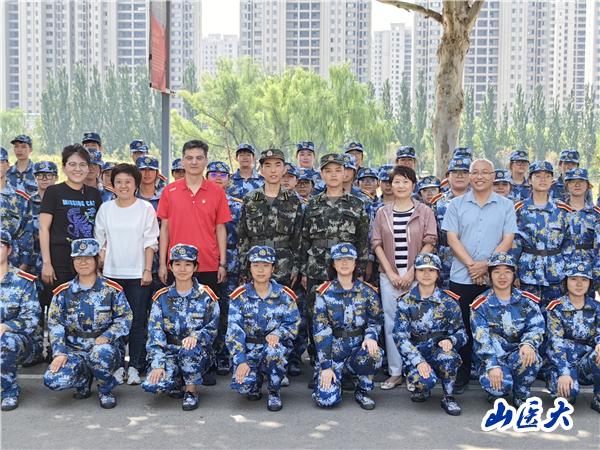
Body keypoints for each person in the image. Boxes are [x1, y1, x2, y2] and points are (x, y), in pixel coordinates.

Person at [157, 139, 232, 385]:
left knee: (209, 318)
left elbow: (220, 229)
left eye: (199, 158)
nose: (194, 162)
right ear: (182, 160)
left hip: (208, 263)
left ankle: (207, 362)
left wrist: (222, 263)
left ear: (206, 160)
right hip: (178, 265)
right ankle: (177, 364)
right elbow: (164, 228)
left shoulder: (217, 192)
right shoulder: (170, 191)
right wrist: (163, 263)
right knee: (178, 317)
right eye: (189, 158)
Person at [442, 158, 518, 392]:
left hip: (494, 277)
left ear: (493, 176)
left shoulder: (506, 205)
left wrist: (486, 266)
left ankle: (492, 371)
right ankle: (462, 372)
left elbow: (508, 238)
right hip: (461, 275)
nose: (480, 176)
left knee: (493, 326)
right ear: (469, 176)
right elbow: (452, 238)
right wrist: (472, 265)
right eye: (475, 172)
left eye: (485, 172)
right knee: (463, 325)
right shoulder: (456, 205)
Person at [43, 239, 132, 409]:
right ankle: (83, 379)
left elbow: (125, 318)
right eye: (78, 258)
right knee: (52, 380)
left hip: (104, 348)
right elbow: (55, 324)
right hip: (75, 350)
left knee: (99, 354)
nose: (82, 262)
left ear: (97, 260)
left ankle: (105, 389)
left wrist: (107, 336)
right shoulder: (63, 292)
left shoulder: (112, 289)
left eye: (88, 258)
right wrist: (60, 352)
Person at [300, 154, 370, 369]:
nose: (333, 175)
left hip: (346, 270)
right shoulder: (312, 204)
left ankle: (345, 364)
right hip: (317, 267)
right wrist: (304, 270)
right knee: (315, 314)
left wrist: (360, 270)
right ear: (321, 174)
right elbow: (304, 239)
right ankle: (319, 364)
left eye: (337, 170)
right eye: (328, 171)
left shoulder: (357, 204)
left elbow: (362, 240)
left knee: (345, 315)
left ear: (345, 173)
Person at [371, 166, 437, 390]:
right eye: (396, 181)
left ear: (413, 185)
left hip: (418, 275)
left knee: (417, 323)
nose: (400, 186)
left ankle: (416, 371)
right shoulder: (382, 213)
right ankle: (395, 372)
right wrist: (390, 272)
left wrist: (412, 271)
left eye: (405, 182)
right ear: (390, 185)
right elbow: (377, 244)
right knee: (391, 323)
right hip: (389, 276)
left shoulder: (424, 211)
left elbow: (430, 241)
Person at [94, 163, 159, 385]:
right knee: (114, 323)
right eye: (119, 182)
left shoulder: (145, 208)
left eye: (128, 182)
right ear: (112, 185)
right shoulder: (106, 209)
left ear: (136, 185)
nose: (123, 186)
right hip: (112, 275)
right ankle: (117, 365)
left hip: (138, 274)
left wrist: (147, 270)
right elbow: (100, 242)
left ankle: (134, 367)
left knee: (138, 321)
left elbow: (150, 242)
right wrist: (100, 268)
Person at [142, 244, 220, 411]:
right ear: (170, 267)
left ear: (195, 267)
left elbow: (212, 329)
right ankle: (177, 380)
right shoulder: (161, 297)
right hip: (170, 351)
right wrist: (158, 364)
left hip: (196, 352)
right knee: (154, 385)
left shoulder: (206, 296)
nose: (182, 269)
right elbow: (155, 333)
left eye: (188, 264)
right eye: (177, 264)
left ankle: (191, 391)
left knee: (189, 350)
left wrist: (196, 336)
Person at [226, 246, 300, 411]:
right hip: (249, 349)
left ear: (273, 269)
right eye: (256, 265)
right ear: (250, 268)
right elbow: (234, 331)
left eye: (266, 265)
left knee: (274, 351)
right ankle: (255, 380)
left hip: (273, 349)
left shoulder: (284, 295)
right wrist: (241, 361)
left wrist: (278, 333)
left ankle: (274, 390)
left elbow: (293, 323)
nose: (260, 270)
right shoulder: (239, 296)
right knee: (244, 387)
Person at [312, 243, 383, 410]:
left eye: (349, 259)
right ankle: (335, 382)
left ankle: (363, 390)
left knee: (374, 353)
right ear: (333, 264)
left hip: (357, 352)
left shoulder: (368, 292)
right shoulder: (324, 293)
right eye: (339, 259)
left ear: (355, 263)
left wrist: (371, 337)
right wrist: (326, 366)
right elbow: (321, 331)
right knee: (326, 401)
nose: (344, 263)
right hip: (333, 354)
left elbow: (375, 320)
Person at [393, 253, 466, 415]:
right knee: (424, 381)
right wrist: (418, 361)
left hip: (440, 352)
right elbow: (400, 337)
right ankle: (422, 389)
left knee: (449, 356)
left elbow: (461, 332)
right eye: (421, 270)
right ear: (415, 273)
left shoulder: (448, 301)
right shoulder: (405, 301)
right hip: (417, 354)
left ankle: (448, 396)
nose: (426, 274)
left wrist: (451, 340)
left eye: (431, 270)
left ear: (438, 274)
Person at [471, 252, 544, 407]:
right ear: (490, 276)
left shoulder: (526, 301)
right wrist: (492, 365)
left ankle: (521, 393)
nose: (502, 276)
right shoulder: (481, 304)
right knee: (499, 388)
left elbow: (536, 327)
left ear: (513, 275)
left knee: (531, 356)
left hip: (517, 353)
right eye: (497, 272)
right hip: (494, 355)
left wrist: (528, 344)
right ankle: (497, 391)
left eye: (507, 272)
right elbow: (482, 340)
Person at [238, 149, 303, 287]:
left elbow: (298, 238)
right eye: (268, 166)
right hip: (256, 264)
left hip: (283, 265)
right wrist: (243, 267)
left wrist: (296, 267)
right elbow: (243, 237)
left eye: (277, 165)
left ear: (284, 169)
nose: (273, 170)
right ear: (261, 170)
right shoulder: (250, 199)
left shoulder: (293, 200)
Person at [40, 144, 103, 288]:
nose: (77, 169)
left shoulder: (94, 194)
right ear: (64, 167)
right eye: (72, 164)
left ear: (88, 168)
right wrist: (47, 263)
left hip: (87, 261)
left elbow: (100, 228)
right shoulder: (53, 192)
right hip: (60, 260)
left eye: (82, 165)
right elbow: (43, 229)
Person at [513, 161, 574, 306]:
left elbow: (568, 244)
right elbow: (514, 243)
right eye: (538, 176)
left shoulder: (562, 210)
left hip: (556, 273)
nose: (543, 180)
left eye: (547, 176)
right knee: (528, 313)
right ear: (530, 180)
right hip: (528, 273)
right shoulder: (519, 209)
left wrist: (569, 273)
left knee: (554, 312)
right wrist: (513, 273)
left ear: (552, 181)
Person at [545, 261, 600, 413]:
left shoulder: (596, 307)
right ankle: (563, 382)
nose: (579, 284)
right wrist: (564, 372)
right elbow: (555, 342)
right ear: (566, 281)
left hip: (585, 363)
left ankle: (598, 397)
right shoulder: (556, 307)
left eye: (584, 279)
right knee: (567, 394)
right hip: (563, 362)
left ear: (590, 283)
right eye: (574, 279)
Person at [205, 160, 243, 375]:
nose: (218, 177)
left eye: (222, 174)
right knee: (208, 309)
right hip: (206, 260)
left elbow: (243, 237)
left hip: (231, 261)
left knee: (228, 309)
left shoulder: (237, 205)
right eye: (213, 174)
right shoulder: (201, 201)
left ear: (229, 179)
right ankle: (207, 353)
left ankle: (224, 354)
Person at [0, 230, 42, 411]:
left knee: (5, 341)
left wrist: (5, 326)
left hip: (21, 341)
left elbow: (31, 318)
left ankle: (8, 392)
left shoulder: (23, 281)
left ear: (9, 250)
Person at [431, 157, 471, 288]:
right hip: (445, 258)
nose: (460, 176)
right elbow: (432, 235)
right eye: (455, 172)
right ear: (447, 176)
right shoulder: (437, 203)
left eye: (464, 172)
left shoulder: (479, 200)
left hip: (472, 256)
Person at [563, 168, 599, 290]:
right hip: (563, 266)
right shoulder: (558, 211)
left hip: (589, 268)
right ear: (567, 185)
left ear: (588, 185)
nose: (577, 184)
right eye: (573, 181)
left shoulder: (596, 214)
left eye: (581, 181)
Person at [0, 147, 34, 270]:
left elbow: (27, 232)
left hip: (13, 261)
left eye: (1, 162)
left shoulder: (21, 199)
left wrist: (24, 264)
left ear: (7, 165)